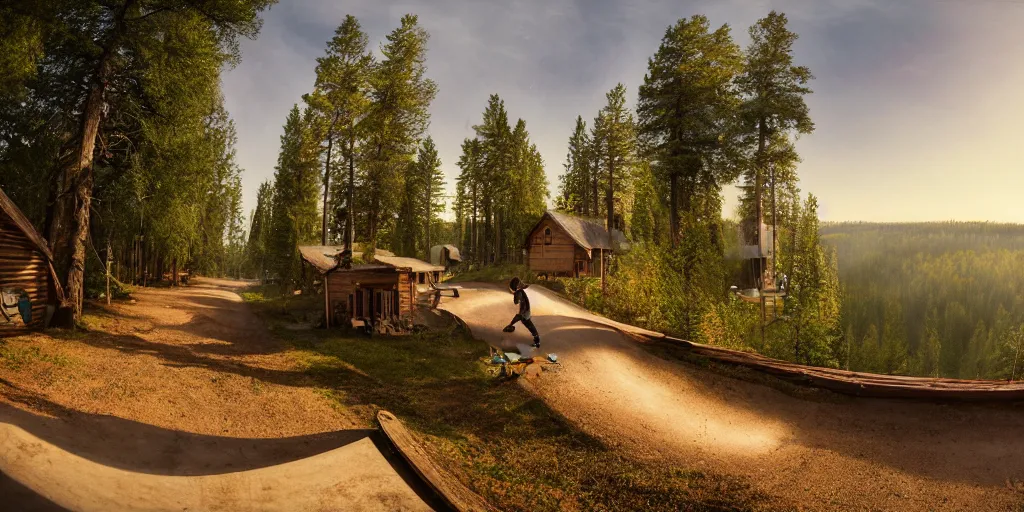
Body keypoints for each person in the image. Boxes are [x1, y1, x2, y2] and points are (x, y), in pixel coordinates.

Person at [502, 276, 540, 348]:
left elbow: (516, 302)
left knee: (527, 323)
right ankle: (537, 341)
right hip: (525, 311)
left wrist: (516, 297)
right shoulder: (521, 291)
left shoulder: (518, 292)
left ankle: (537, 342)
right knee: (527, 323)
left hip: (524, 312)